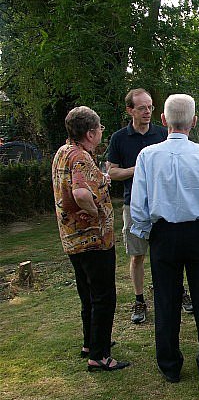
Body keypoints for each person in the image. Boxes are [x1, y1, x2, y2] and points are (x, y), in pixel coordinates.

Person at [129, 94, 199, 383]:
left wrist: (146, 231)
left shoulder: (147, 156)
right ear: (194, 121)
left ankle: (169, 364)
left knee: (166, 300)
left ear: (163, 120)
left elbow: (139, 203)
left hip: (163, 234)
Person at [52, 106, 130, 372]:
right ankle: (100, 356)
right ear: (90, 133)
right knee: (103, 296)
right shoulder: (81, 158)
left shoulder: (64, 152)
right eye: (100, 129)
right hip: (93, 240)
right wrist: (96, 213)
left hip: (72, 238)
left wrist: (101, 179)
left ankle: (91, 342)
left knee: (87, 293)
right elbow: (81, 193)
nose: (101, 133)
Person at [106, 89, 193, 323]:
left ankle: (179, 291)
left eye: (150, 107)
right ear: (130, 110)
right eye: (142, 108)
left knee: (172, 253)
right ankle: (139, 300)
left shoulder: (163, 134)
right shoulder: (119, 138)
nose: (147, 112)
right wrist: (139, 168)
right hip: (133, 204)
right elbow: (111, 172)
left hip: (164, 205)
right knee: (137, 256)